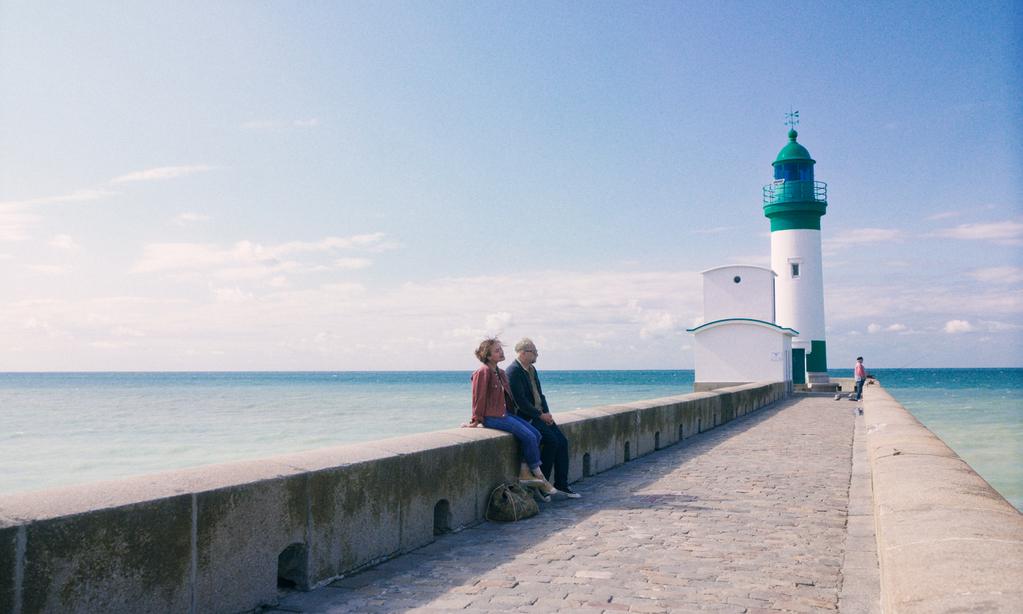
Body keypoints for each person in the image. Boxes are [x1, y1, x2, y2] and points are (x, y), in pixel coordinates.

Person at [465, 338, 558, 498]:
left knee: (536, 434)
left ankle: (524, 472)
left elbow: (510, 400)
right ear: (487, 356)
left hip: (505, 414)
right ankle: (540, 478)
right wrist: (476, 420)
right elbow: (478, 398)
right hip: (491, 416)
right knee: (528, 436)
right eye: (497, 350)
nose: (501, 352)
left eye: (501, 349)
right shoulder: (483, 372)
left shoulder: (500, 373)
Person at [506, 338, 581, 499]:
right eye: (534, 352)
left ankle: (562, 484)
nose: (537, 354)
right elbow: (520, 402)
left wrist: (547, 414)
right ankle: (542, 486)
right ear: (523, 353)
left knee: (562, 442)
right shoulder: (513, 371)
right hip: (528, 417)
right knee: (551, 441)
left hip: (541, 415)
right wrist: (540, 415)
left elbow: (540, 395)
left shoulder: (531, 369)